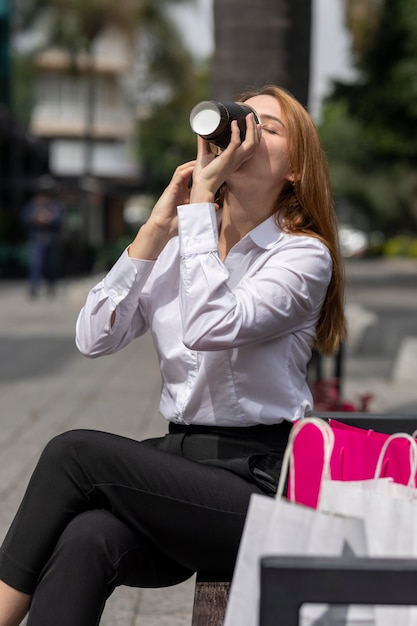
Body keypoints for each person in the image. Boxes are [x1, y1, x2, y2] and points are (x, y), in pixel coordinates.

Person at [0, 85, 346, 625]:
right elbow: (94, 338)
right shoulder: (182, 243)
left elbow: (213, 324)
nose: (248, 132)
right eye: (243, 119)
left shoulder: (302, 255)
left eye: (268, 128)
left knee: (73, 453)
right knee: (87, 537)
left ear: (297, 170)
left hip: (259, 485)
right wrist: (157, 228)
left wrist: (201, 209)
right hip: (175, 474)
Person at [21, 190, 62, 298]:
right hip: (36, 240)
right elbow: (24, 219)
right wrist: (36, 219)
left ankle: (51, 286)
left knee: (51, 265)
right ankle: (34, 287)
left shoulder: (54, 206)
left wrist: (49, 219)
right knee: (36, 264)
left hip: (51, 240)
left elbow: (59, 220)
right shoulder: (31, 206)